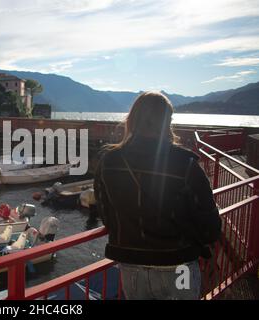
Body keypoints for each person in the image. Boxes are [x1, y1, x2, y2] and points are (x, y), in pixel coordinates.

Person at [94, 91, 221, 300]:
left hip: (131, 265)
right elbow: (210, 229)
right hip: (180, 265)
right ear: (166, 123)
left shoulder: (109, 161)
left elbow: (106, 215)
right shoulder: (186, 165)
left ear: (132, 119)